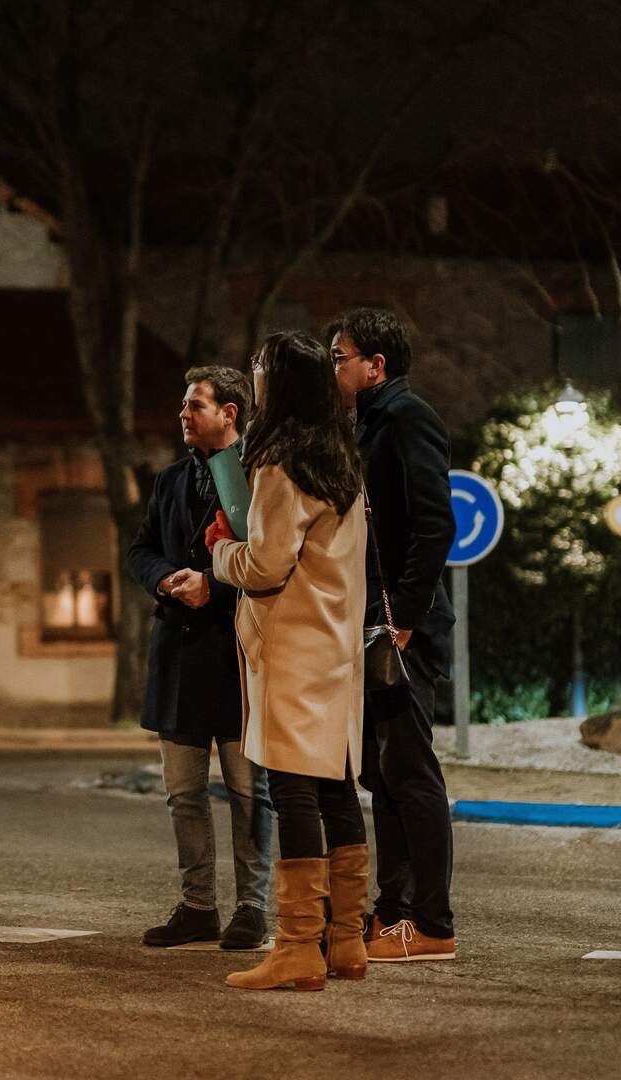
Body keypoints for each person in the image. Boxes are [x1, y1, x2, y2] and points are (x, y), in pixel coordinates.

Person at [205, 332, 369, 991]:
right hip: (334, 644)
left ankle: (297, 948)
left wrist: (220, 552)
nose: (255, 381)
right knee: (334, 787)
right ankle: (346, 941)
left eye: (259, 371)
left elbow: (267, 563)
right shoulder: (339, 458)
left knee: (291, 788)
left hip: (290, 642)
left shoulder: (279, 463)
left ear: (280, 383)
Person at [126, 366, 273, 951]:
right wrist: (165, 579)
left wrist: (215, 584)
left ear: (229, 412)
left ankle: (252, 907)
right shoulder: (168, 481)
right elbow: (141, 548)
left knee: (248, 791)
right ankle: (197, 907)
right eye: (183, 406)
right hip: (179, 658)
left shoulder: (258, 479)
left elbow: (271, 561)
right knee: (183, 793)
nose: (183, 415)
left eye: (195, 405)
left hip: (237, 655)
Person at [328, 307, 458, 963]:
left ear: (375, 366)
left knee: (409, 773)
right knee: (384, 775)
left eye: (340, 356)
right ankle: (393, 918)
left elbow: (436, 526)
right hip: (374, 621)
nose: (334, 367)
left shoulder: (409, 419)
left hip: (401, 627)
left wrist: (403, 619)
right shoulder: (370, 423)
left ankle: (430, 925)